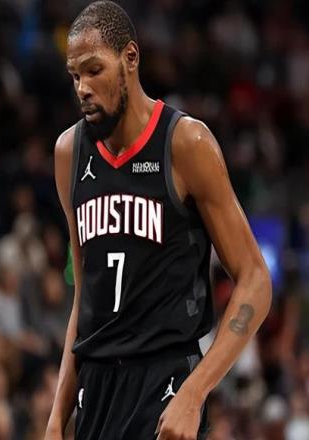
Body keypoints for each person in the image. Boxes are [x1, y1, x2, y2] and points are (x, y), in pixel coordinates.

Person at [45, 2, 272, 440]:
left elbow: (256, 280)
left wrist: (195, 393)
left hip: (164, 387)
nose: (83, 88)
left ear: (130, 58)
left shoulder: (186, 143)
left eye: (94, 70)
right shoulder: (68, 154)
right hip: (95, 392)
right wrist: (57, 419)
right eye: (75, 76)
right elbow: (84, 297)